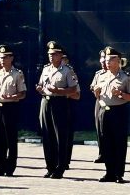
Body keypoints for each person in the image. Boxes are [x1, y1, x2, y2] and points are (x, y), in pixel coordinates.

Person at [37, 41, 78, 179]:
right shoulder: (46, 69)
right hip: (45, 102)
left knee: (60, 136)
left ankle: (60, 168)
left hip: (60, 103)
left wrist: (58, 91)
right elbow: (42, 84)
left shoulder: (67, 70)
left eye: (54, 54)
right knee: (47, 136)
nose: (51, 56)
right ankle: (50, 167)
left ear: (60, 55)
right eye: (49, 54)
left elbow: (73, 89)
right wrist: (40, 89)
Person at [94, 46, 130, 184]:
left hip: (119, 112)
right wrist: (96, 92)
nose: (107, 62)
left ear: (118, 61)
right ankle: (109, 173)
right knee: (106, 143)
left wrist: (120, 94)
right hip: (103, 111)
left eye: (111, 60)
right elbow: (97, 94)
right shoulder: (101, 76)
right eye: (106, 60)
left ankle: (118, 173)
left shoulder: (125, 77)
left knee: (119, 143)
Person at [0, 45, 26, 177]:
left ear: (11, 58)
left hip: (10, 108)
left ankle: (10, 167)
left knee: (10, 138)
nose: (2, 60)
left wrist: (12, 97)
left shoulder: (17, 73)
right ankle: (0, 167)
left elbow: (22, 93)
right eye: (0, 57)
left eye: (5, 57)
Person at [90, 49, 108, 163]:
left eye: (104, 58)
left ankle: (111, 153)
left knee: (109, 130)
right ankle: (102, 154)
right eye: (101, 57)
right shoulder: (98, 74)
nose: (102, 60)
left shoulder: (116, 74)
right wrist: (95, 90)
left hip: (111, 103)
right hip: (99, 102)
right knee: (99, 129)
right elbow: (92, 87)